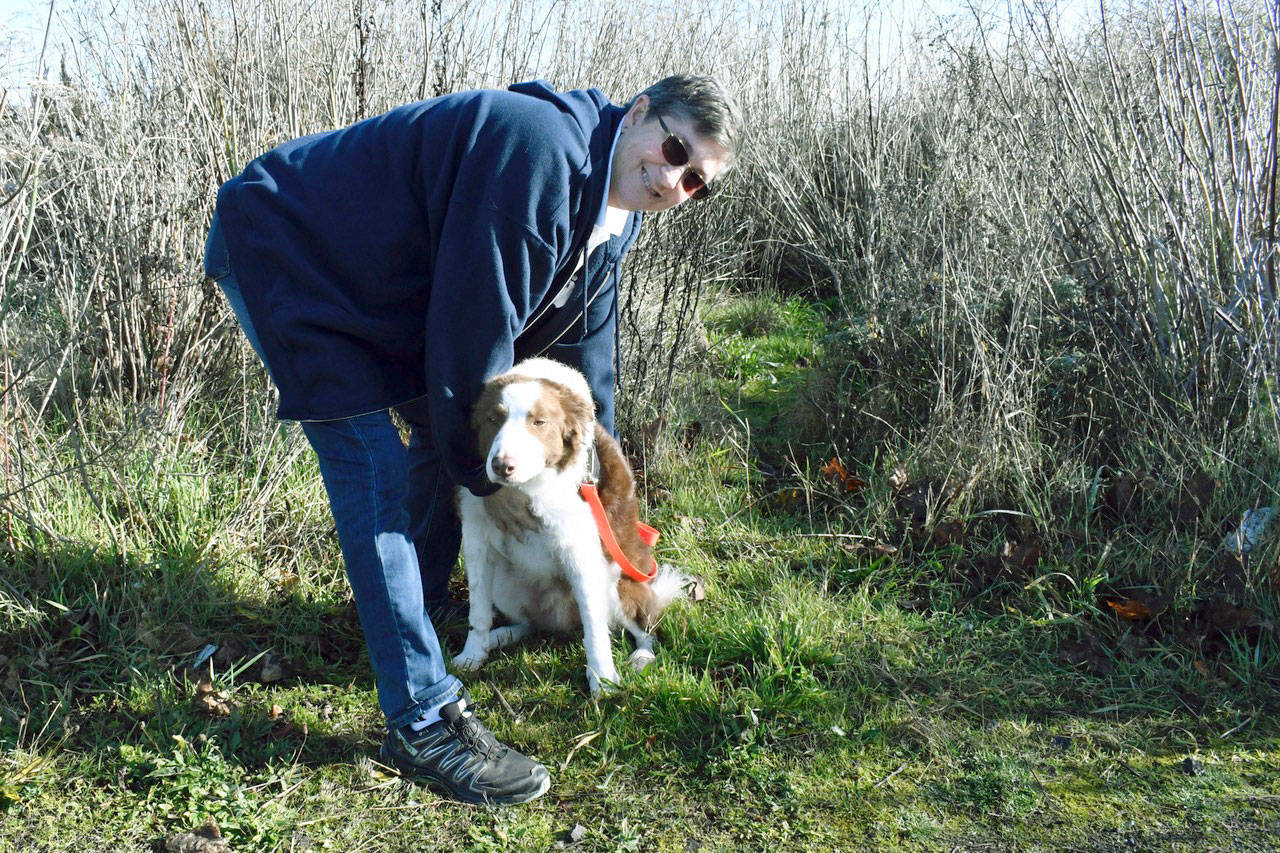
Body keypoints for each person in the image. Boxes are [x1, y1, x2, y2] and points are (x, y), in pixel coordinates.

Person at [203, 75, 740, 805]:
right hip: (288, 251)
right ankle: (420, 717)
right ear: (640, 112)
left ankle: (406, 622)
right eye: (674, 149)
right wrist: (490, 478)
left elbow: (587, 357)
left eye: (697, 181)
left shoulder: (617, 213)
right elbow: (474, 327)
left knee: (439, 441)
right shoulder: (540, 150)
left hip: (376, 293)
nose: (674, 178)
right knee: (378, 466)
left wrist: (597, 488)